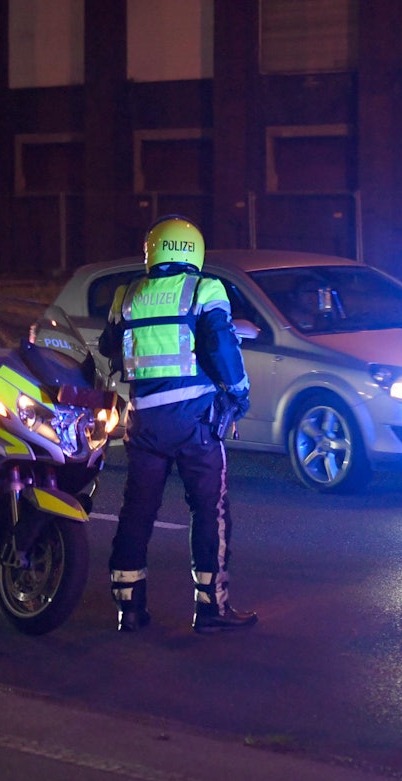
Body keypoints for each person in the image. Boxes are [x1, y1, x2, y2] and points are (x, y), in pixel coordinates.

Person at [99, 214, 256, 633]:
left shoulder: (126, 295)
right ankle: (211, 608)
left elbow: (109, 346)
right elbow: (221, 345)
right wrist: (238, 393)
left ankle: (129, 607)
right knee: (208, 511)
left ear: (152, 251)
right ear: (195, 252)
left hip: (144, 422)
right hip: (195, 423)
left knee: (137, 511)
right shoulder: (205, 289)